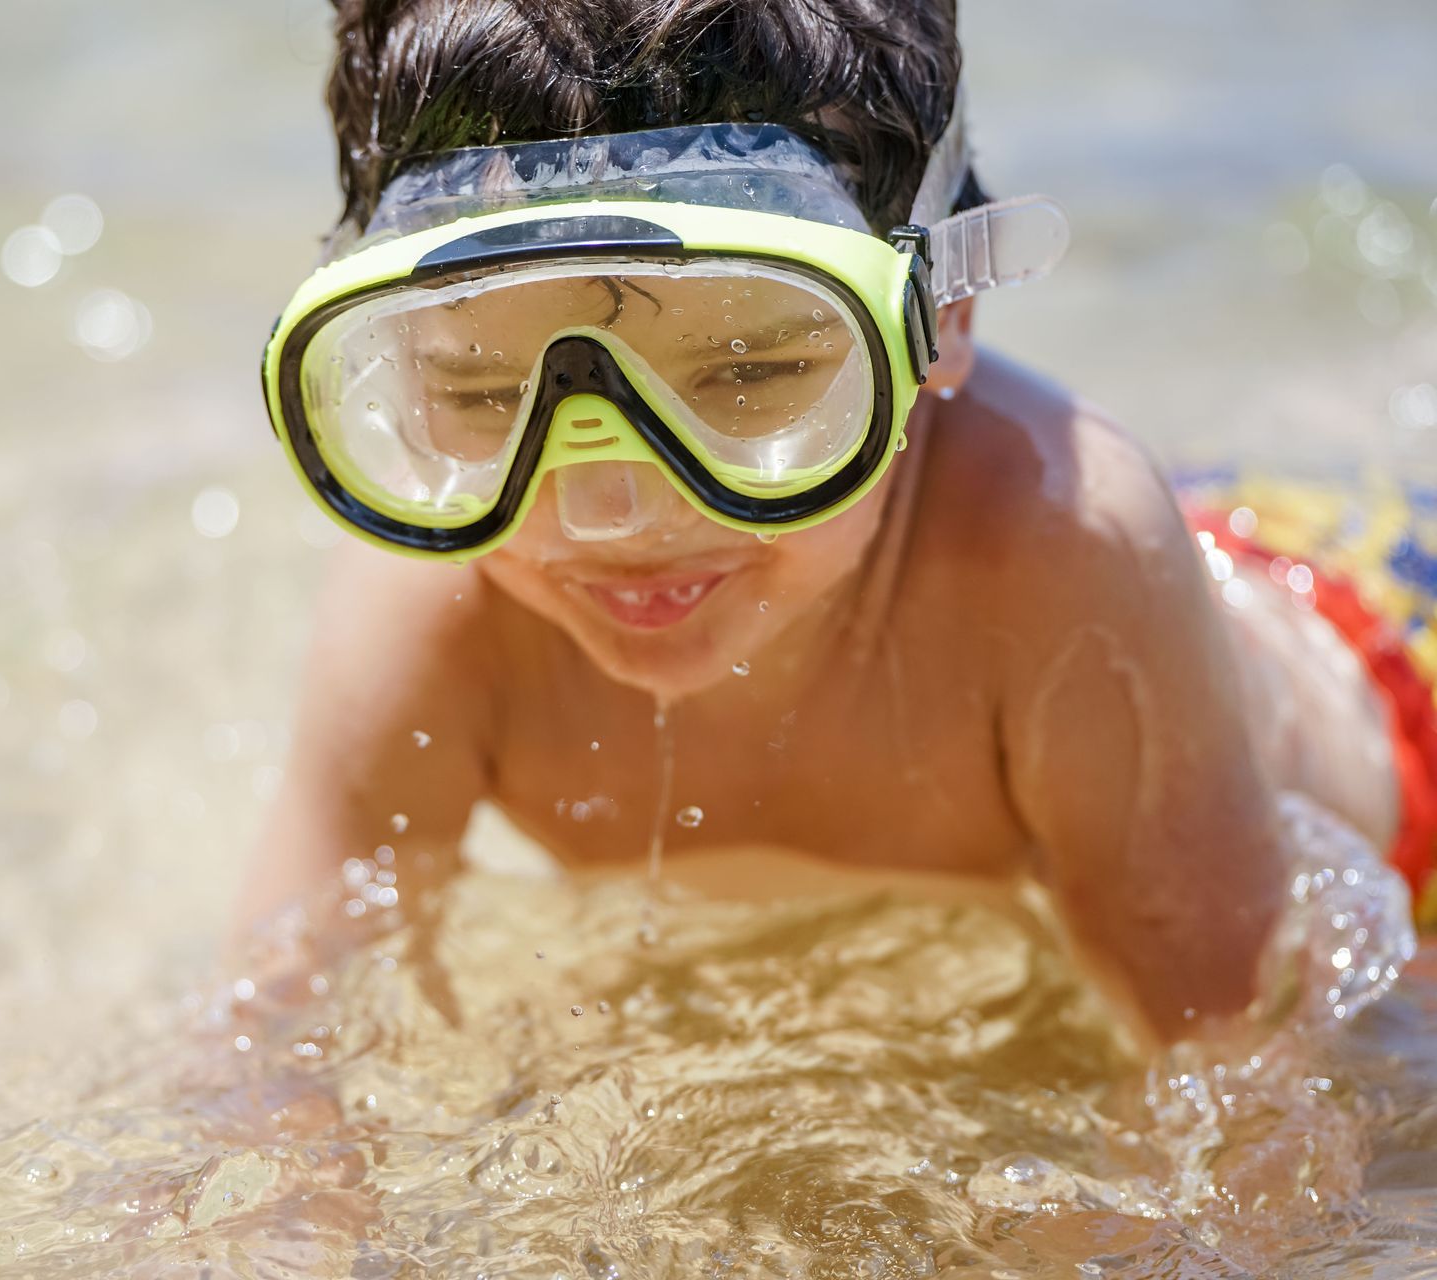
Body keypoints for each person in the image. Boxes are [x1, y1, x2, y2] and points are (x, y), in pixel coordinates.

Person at [238, 0, 1424, 1047]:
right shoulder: (437, 597)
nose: (612, 507)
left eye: (749, 370)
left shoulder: (1063, 555)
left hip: (1377, 645)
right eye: (488, 393)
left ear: (945, 306)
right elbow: (274, 1035)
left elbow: (1235, 1083)